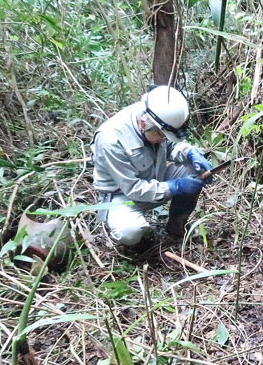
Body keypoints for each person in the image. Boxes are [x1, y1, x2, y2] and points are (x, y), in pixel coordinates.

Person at [91, 86, 213, 247]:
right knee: (129, 231)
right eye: (162, 136)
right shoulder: (110, 141)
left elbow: (171, 147)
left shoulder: (158, 115)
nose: (164, 139)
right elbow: (133, 188)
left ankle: (177, 227)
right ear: (143, 124)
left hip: (154, 179)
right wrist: (175, 186)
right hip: (121, 196)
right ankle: (137, 246)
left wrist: (191, 153)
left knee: (194, 171)